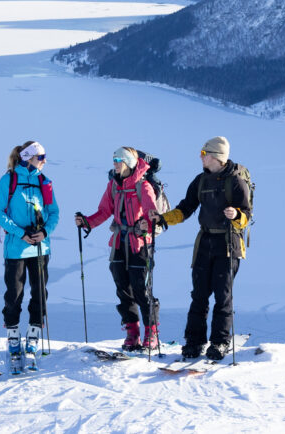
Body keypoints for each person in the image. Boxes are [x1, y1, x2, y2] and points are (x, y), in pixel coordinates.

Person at [150, 136, 251, 360]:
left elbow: (247, 216)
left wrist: (236, 215)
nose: (200, 157)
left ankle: (220, 342)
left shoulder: (236, 182)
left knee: (223, 295)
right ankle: (194, 342)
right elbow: (185, 208)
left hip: (228, 244)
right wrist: (162, 219)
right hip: (204, 243)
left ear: (216, 157)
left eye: (204, 154)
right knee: (199, 295)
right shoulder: (200, 181)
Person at [75, 147, 160, 351]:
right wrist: (87, 222)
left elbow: (151, 212)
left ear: (129, 162)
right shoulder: (113, 185)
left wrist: (146, 226)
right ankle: (133, 332)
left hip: (139, 244)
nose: (114, 163)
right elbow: (104, 211)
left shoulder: (143, 185)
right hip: (119, 243)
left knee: (141, 289)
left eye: (119, 159)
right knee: (123, 289)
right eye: (113, 159)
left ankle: (151, 332)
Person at [0, 140, 59, 368]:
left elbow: (54, 212)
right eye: (41, 157)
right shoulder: (8, 180)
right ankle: (12, 336)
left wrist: (45, 231)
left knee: (40, 292)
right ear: (28, 157)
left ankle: (32, 335)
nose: (44, 161)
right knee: (14, 293)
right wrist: (20, 233)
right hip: (16, 248)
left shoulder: (44, 182)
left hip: (40, 247)